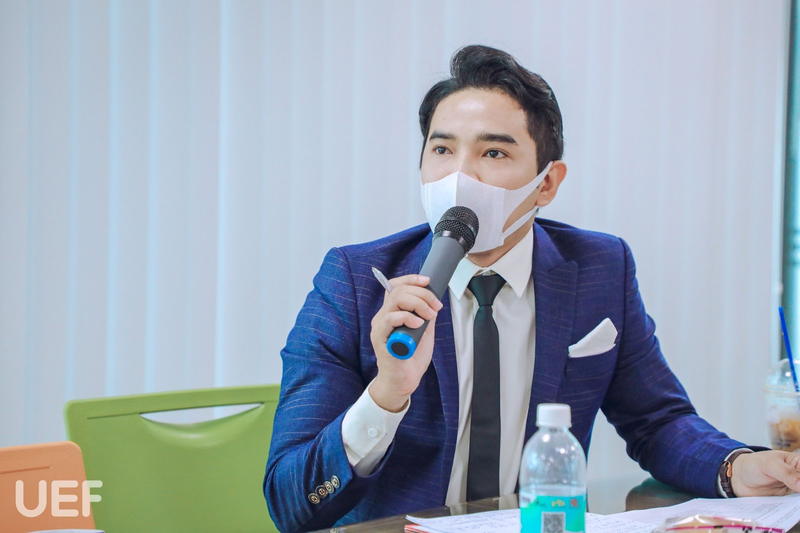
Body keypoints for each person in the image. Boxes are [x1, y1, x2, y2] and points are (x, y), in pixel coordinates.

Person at [263, 44, 800, 532]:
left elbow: (657, 422)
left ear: (547, 183)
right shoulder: (356, 281)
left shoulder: (600, 268)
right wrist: (387, 393)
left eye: (493, 153)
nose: (460, 177)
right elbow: (290, 502)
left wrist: (738, 467)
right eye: (442, 150)